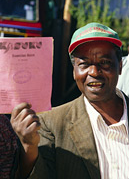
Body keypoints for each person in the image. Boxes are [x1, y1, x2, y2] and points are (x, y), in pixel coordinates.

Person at [11, 22, 129, 179]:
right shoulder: (50, 124)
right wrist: (29, 147)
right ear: (74, 72)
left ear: (120, 66)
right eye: (84, 64)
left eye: (105, 62)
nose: (94, 72)